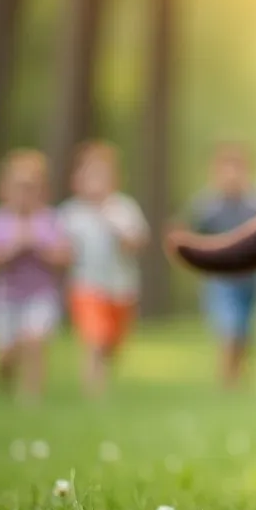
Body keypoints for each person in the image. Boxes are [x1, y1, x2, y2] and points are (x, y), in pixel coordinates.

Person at [0, 150, 71, 401]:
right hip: (4, 298)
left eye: (31, 187)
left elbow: (65, 257)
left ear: (43, 191)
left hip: (40, 296)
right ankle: (5, 375)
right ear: (2, 189)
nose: (24, 194)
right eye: (19, 187)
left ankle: (31, 398)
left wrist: (40, 247)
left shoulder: (49, 220)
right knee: (6, 353)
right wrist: (9, 249)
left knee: (35, 342)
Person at [59, 141, 149, 397]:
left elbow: (138, 242)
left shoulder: (123, 208)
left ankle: (101, 375)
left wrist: (116, 229)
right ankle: (94, 393)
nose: (96, 182)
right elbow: (61, 251)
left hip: (122, 288)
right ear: (77, 179)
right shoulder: (71, 213)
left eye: (102, 175)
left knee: (113, 343)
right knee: (95, 339)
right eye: (90, 176)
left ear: (115, 179)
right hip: (86, 286)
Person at [186, 142, 256, 388]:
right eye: (226, 170)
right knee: (229, 328)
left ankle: (239, 373)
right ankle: (228, 380)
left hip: (251, 280)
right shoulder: (207, 207)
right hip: (221, 280)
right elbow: (194, 237)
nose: (232, 176)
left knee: (245, 332)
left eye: (237, 169)